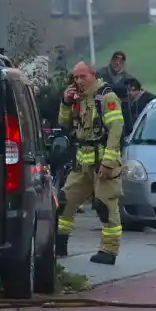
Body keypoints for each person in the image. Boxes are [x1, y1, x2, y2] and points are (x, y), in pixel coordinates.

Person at [56, 62, 126, 265]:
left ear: (93, 75)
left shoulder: (107, 97)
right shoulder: (78, 98)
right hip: (82, 163)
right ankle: (59, 243)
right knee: (64, 202)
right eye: (75, 78)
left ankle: (109, 250)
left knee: (105, 206)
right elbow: (63, 122)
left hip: (104, 163)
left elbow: (116, 129)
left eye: (82, 77)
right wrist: (66, 102)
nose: (78, 81)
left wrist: (109, 162)